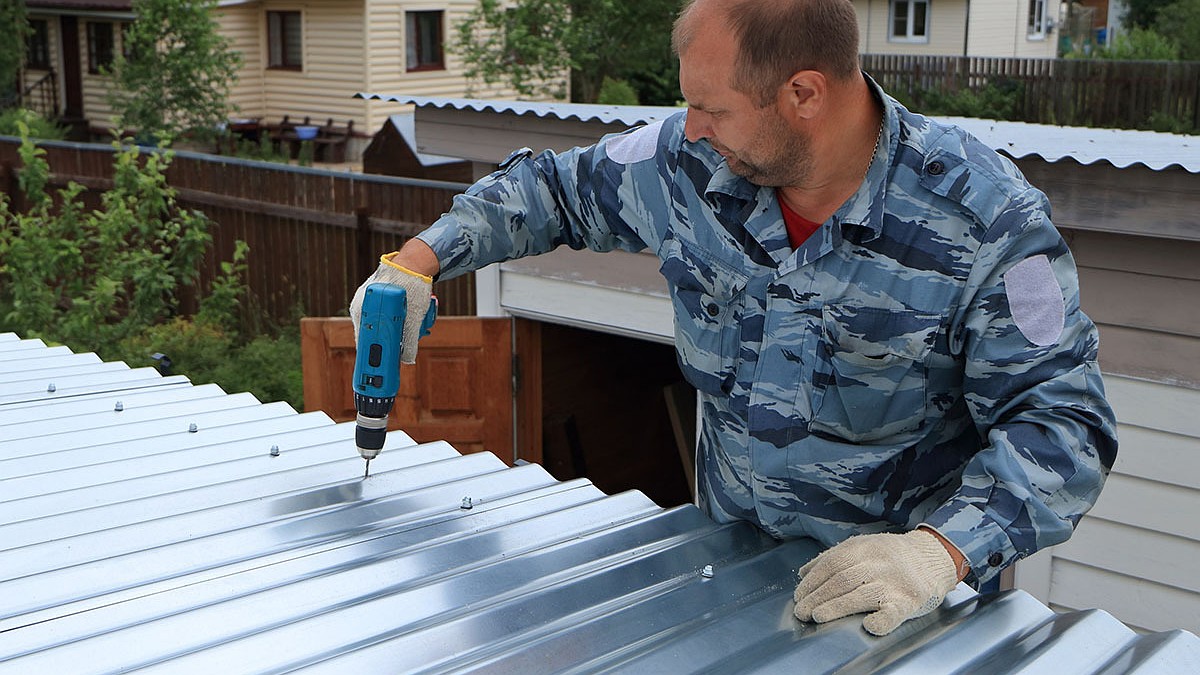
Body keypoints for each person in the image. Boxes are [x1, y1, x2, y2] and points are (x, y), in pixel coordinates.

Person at [350, 0, 1117, 636]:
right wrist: (419, 259)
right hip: (730, 585)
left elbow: (1065, 421)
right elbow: (550, 190)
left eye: (712, 108)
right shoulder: (689, 165)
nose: (690, 128)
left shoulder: (986, 221)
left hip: (901, 619)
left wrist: (941, 550)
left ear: (804, 96)